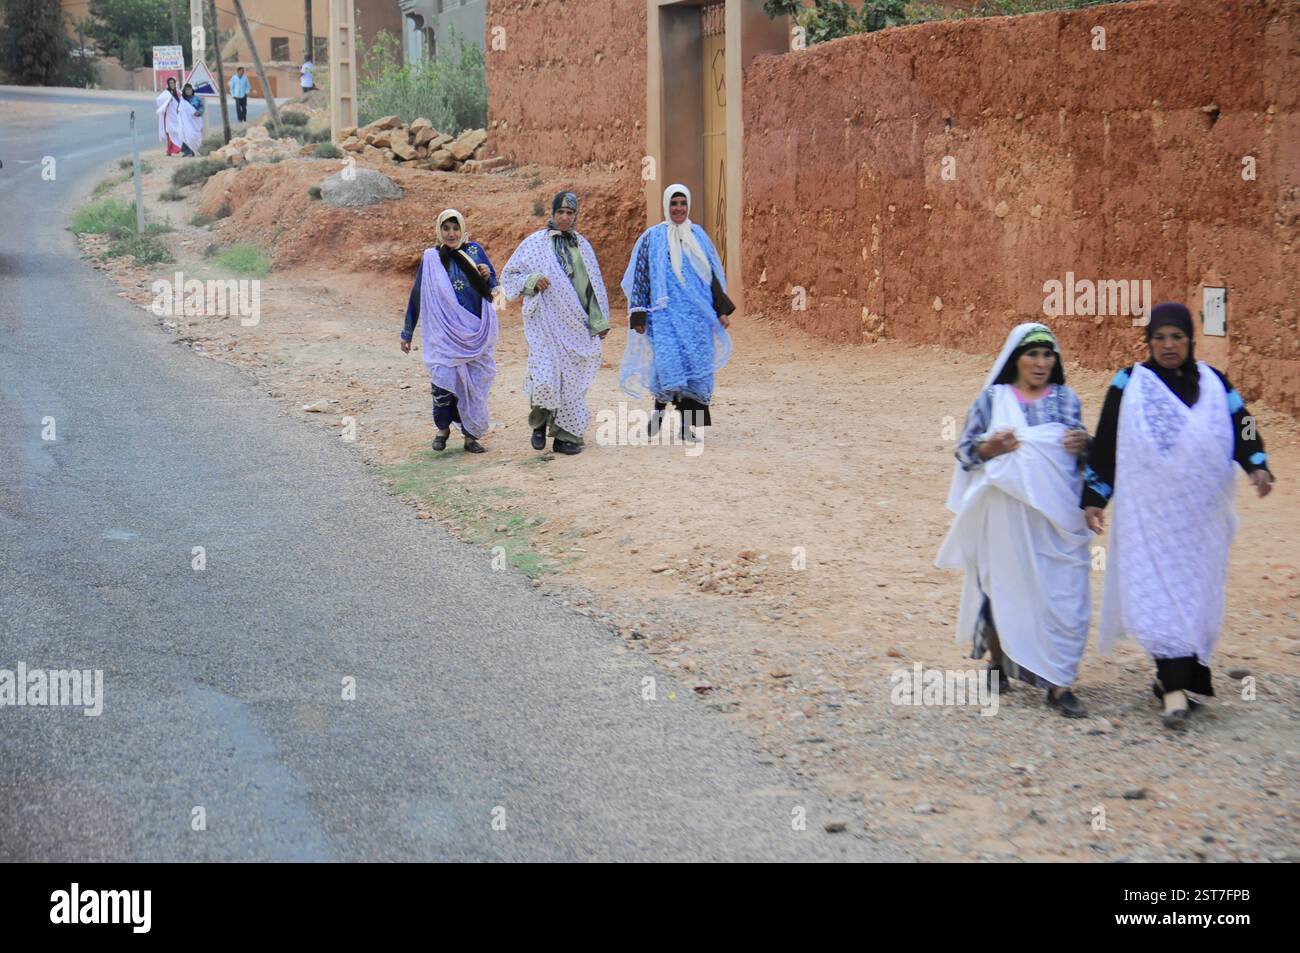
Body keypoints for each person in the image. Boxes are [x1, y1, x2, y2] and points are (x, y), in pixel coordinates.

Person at [1083, 302, 1275, 730]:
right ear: (1149, 342)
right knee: (1159, 591)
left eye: (1177, 338)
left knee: (1195, 596)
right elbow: (1109, 437)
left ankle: (1180, 679)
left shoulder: (1213, 381)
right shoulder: (1130, 382)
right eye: (1160, 338)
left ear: (1190, 340)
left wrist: (1256, 463)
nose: (1169, 346)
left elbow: (1242, 422)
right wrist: (1095, 495)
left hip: (1200, 521)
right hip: (1150, 518)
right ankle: (1172, 691)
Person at [936, 323, 1092, 718]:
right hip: (1004, 512)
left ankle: (1059, 682)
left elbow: (1082, 455)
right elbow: (965, 451)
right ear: (1015, 359)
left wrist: (1084, 446)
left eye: (1047, 355)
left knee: (1063, 593)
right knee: (1003, 585)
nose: (1041, 363)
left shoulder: (1067, 400)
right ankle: (998, 661)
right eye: (1032, 354)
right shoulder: (992, 399)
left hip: (1056, 517)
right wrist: (993, 446)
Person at [619, 183, 733, 444]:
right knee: (668, 366)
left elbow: (711, 276)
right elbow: (641, 277)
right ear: (666, 206)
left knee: (696, 370)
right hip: (665, 316)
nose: (678, 208)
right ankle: (658, 413)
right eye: (674, 203)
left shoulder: (699, 236)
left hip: (698, 317)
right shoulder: (652, 237)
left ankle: (686, 426)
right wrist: (638, 314)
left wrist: (721, 310)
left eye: (682, 204)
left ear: (688, 205)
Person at [499, 192, 610, 455]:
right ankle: (539, 425)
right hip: (545, 323)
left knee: (571, 382)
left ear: (576, 216)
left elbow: (592, 286)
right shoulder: (535, 243)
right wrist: (532, 280)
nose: (564, 217)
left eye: (570, 213)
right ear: (552, 213)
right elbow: (510, 274)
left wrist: (599, 320)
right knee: (546, 377)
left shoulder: (582, 246)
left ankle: (566, 436)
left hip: (575, 325)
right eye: (560, 211)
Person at [400, 209, 499, 453]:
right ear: (439, 231)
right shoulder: (431, 258)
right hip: (443, 336)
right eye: (446, 228)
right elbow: (417, 295)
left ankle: (470, 436)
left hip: (474, 333)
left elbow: (494, 287)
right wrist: (407, 332)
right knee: (443, 380)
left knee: (473, 385)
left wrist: (487, 275)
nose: (451, 233)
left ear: (463, 229)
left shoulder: (475, 250)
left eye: (456, 228)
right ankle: (442, 429)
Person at [155, 76, 182, 156]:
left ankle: (177, 148)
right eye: (170, 83)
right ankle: (169, 150)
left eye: (173, 83)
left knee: (178, 132)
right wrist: (167, 101)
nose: (172, 84)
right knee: (170, 132)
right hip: (169, 116)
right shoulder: (166, 93)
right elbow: (159, 100)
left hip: (177, 116)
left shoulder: (178, 92)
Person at [178, 83, 205, 157]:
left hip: (195, 121)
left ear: (192, 90)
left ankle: (195, 150)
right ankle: (188, 152)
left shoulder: (197, 99)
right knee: (186, 135)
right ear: (184, 91)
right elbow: (179, 110)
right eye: (186, 90)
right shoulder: (183, 100)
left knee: (194, 136)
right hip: (186, 122)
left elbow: (202, 107)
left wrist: (199, 112)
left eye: (189, 89)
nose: (188, 91)